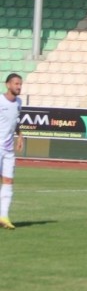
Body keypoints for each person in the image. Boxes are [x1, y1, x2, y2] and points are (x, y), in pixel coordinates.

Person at [0, 73, 23, 230]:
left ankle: (4, 216)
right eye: (16, 83)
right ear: (8, 84)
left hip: (8, 150)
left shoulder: (19, 102)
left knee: (8, 181)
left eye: (20, 84)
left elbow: (15, 121)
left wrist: (20, 135)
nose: (19, 86)